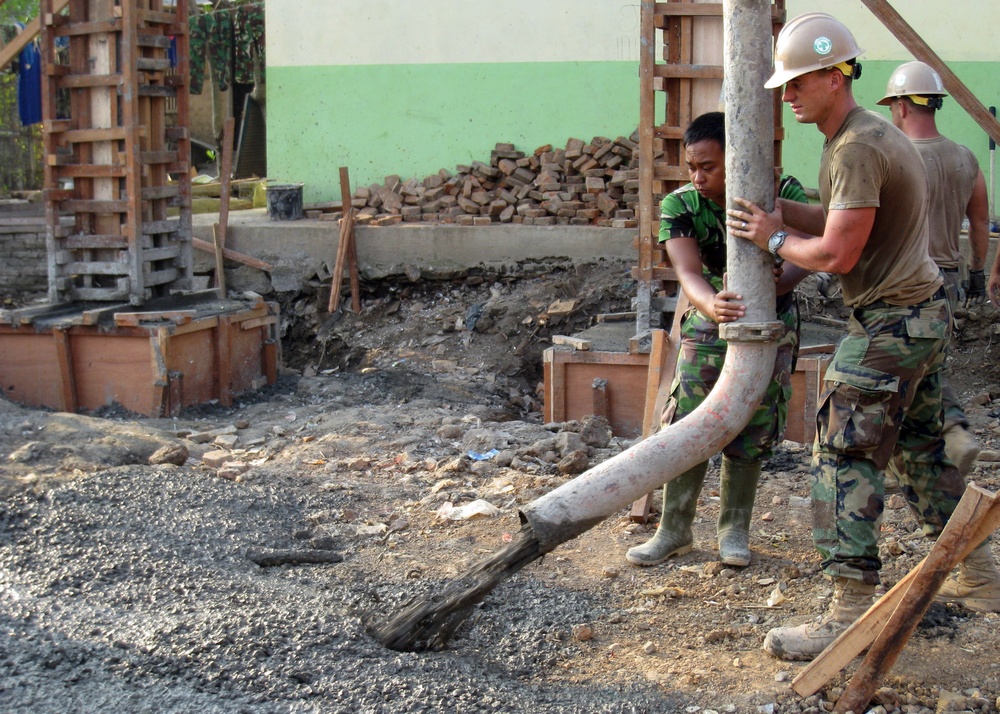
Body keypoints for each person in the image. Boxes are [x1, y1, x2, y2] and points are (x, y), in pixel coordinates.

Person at [725, 12, 1000, 661]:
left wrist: (772, 237)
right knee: (923, 452)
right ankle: (983, 578)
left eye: (796, 83)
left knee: (843, 452)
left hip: (893, 320)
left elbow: (840, 253)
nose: (786, 95)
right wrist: (780, 210)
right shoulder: (859, 137)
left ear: (833, 74)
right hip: (920, 312)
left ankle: (848, 610)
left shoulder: (856, 145)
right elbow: (848, 216)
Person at [626, 111, 811, 570]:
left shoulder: (782, 194)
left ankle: (734, 531)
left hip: (772, 322)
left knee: (754, 423)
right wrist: (712, 305)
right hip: (710, 323)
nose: (697, 176)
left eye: (707, 166)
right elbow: (687, 271)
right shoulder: (682, 205)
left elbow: (808, 254)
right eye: (692, 166)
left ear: (737, 158)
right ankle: (674, 529)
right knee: (689, 421)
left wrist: (778, 283)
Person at [877, 60, 988, 474]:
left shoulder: (896, 158)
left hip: (906, 280)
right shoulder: (965, 157)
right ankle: (939, 443)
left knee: (892, 370)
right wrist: (977, 272)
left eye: (892, 106)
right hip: (951, 278)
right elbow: (979, 221)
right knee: (929, 363)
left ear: (903, 106)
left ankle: (947, 435)